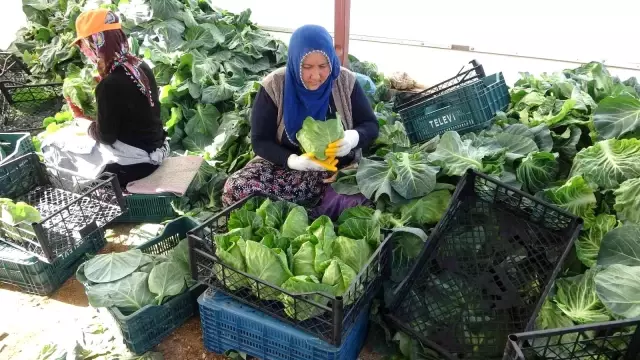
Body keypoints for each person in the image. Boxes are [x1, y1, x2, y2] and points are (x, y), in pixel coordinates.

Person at [222, 25, 379, 208]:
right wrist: (293, 161)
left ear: (332, 62)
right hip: (282, 169)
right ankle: (305, 210)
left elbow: (371, 125)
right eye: (307, 67)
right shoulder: (274, 85)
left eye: (323, 66)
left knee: (355, 200)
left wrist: (352, 139)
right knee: (236, 187)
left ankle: (302, 211)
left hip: (333, 172)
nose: (316, 75)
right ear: (295, 62)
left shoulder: (345, 81)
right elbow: (260, 141)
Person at [44, 8, 168, 187]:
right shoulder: (140, 65)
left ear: (96, 43)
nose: (85, 52)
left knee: (55, 144)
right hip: (158, 149)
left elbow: (106, 136)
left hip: (137, 167)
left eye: (84, 45)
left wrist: (84, 123)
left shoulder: (109, 85)